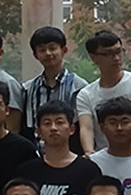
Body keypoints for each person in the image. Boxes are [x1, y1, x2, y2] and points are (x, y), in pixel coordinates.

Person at [14, 100, 101, 195]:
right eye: (47, 123)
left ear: (71, 129)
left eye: (59, 122)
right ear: (38, 132)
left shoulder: (89, 170)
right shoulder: (26, 171)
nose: (53, 128)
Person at [77, 30, 131, 153]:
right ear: (93, 57)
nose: (116, 58)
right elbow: (87, 128)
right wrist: (89, 152)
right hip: (104, 157)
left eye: (118, 51)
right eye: (109, 54)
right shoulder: (86, 94)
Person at [21, 26, 85, 154]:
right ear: (35, 55)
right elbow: (28, 127)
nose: (48, 53)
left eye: (52, 48)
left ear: (64, 50)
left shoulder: (78, 87)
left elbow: (81, 126)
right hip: (37, 156)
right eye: (42, 50)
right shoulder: (28, 88)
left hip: (70, 155)